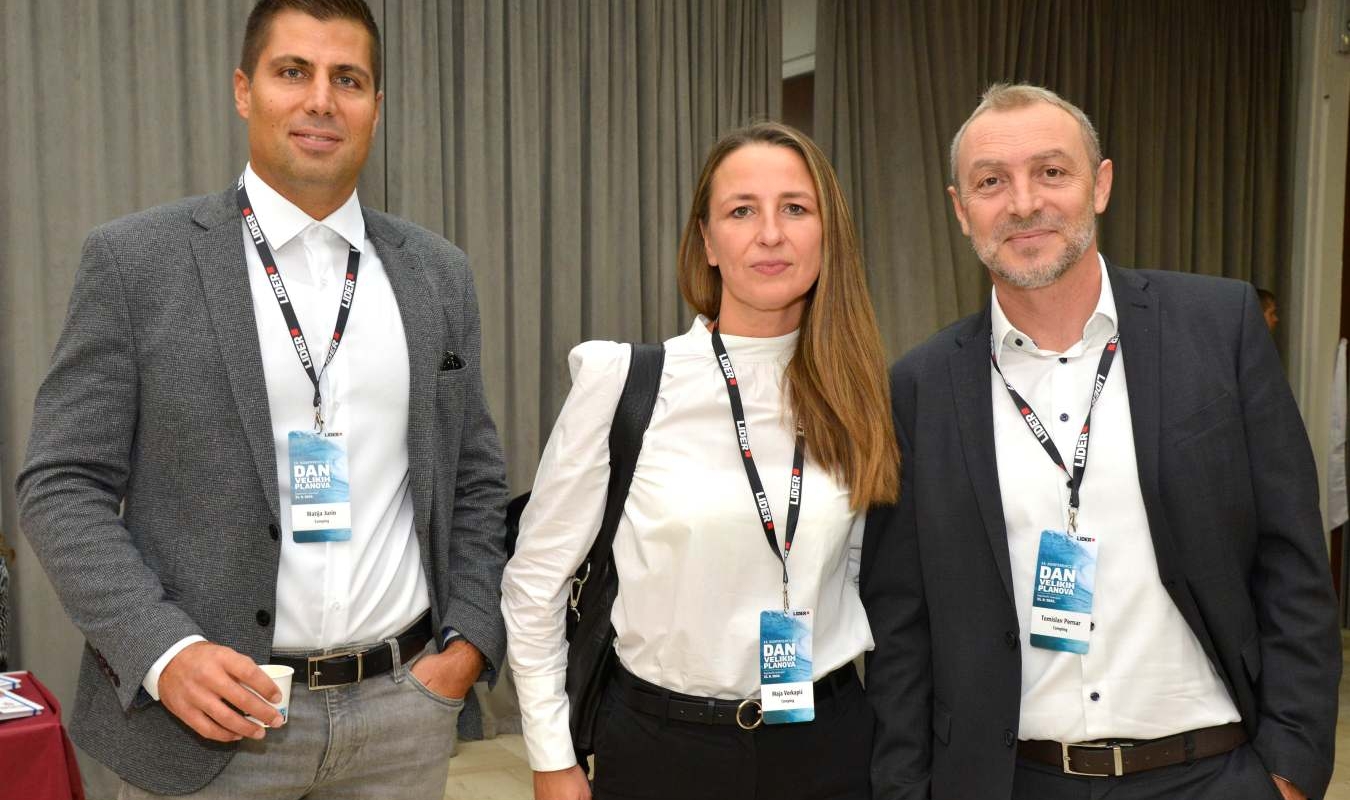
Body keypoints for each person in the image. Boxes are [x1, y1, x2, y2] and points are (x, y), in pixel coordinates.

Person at [16, 1, 508, 796]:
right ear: (244, 90)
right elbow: (60, 484)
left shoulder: (438, 272)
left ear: (377, 106)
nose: (321, 100)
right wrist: (163, 652)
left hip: (404, 717)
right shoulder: (136, 263)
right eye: (293, 72)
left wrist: (468, 644)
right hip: (212, 723)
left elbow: (475, 478)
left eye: (348, 79)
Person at [863, 83, 1340, 800]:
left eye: (1052, 172)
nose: (1024, 202)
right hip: (1014, 780)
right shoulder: (919, 386)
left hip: (1214, 773)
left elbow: (1292, 560)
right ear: (961, 210)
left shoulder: (1220, 326)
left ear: (1101, 184)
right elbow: (902, 624)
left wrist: (1289, 773)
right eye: (991, 182)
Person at [503, 121, 898, 800]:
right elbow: (535, 582)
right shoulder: (624, 382)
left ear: (828, 233)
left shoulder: (860, 394)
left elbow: (861, 572)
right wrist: (551, 756)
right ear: (708, 242)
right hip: (663, 749)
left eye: (795, 208)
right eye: (741, 211)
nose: (769, 234)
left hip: (827, 744)